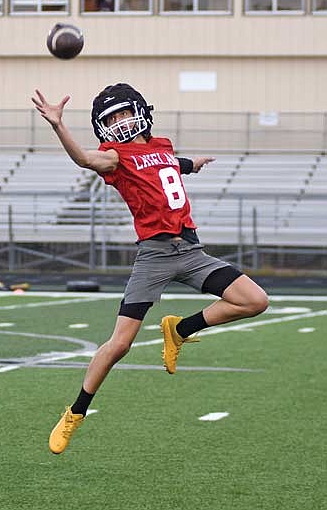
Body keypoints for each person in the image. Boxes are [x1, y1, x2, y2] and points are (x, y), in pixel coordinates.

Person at [31, 83, 269, 454]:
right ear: (103, 127)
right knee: (120, 344)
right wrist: (58, 126)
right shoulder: (115, 155)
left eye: (124, 113)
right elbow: (84, 160)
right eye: (111, 118)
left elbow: (171, 167)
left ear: (141, 111)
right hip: (154, 256)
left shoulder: (163, 145)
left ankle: (180, 329)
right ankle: (75, 412)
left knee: (255, 300)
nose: (120, 122)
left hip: (190, 249)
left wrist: (194, 164)